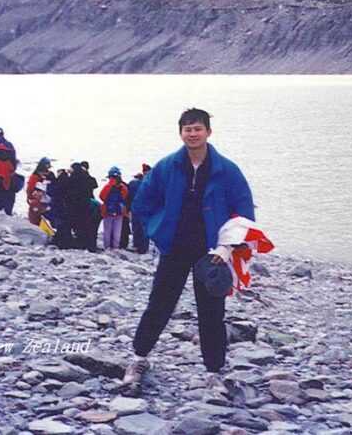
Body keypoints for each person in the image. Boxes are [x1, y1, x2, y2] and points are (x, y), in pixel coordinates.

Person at [121, 108, 255, 393]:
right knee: (159, 304)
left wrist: (227, 247)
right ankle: (138, 358)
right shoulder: (167, 166)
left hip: (212, 253)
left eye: (198, 128)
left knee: (211, 311)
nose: (192, 134)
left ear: (208, 132)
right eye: (187, 129)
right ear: (180, 132)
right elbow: (143, 203)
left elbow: (243, 211)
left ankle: (214, 370)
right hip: (175, 248)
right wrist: (159, 232)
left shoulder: (226, 170)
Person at [99, 167, 128, 251]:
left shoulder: (108, 186)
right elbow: (125, 196)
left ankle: (107, 247)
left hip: (107, 211)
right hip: (119, 211)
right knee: (117, 231)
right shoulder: (123, 186)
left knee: (107, 230)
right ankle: (116, 247)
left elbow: (102, 196)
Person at [127, 164, 151, 254]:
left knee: (136, 228)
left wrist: (128, 207)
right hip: (145, 209)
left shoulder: (133, 183)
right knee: (143, 228)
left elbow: (128, 196)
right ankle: (143, 247)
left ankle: (137, 245)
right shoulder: (151, 182)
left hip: (136, 208)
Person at [26, 158, 53, 226]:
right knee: (35, 219)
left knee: (39, 219)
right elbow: (30, 189)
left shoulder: (42, 176)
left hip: (42, 201)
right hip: (37, 201)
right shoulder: (35, 177)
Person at [82, 161, 102, 251]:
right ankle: (91, 244)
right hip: (91, 201)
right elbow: (95, 185)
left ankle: (87, 243)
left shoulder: (82, 178)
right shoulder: (90, 178)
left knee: (87, 224)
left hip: (86, 203)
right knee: (92, 226)